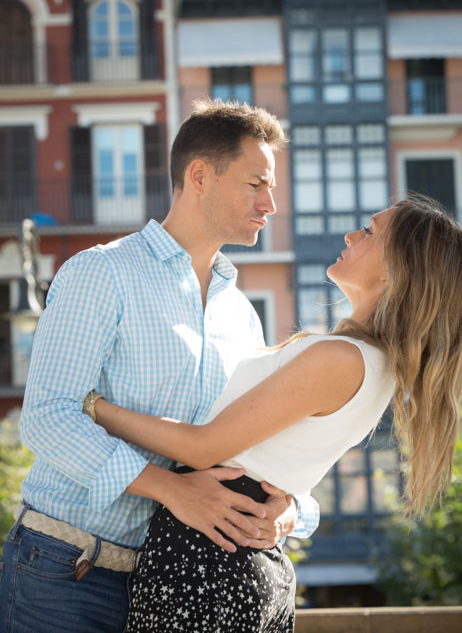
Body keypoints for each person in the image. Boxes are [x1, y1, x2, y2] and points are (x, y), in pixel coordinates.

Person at [0, 100, 319, 633]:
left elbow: (254, 446)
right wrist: (170, 488)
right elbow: (47, 417)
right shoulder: (101, 272)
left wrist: (291, 513)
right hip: (65, 572)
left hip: (173, 585)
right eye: (256, 184)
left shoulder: (242, 316)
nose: (270, 204)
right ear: (200, 176)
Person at [88, 196, 462, 632]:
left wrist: (95, 407)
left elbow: (201, 447)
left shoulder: (342, 358)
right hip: (234, 556)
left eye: (370, 232)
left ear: (395, 268)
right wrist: (290, 510)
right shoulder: (375, 366)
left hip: (210, 561)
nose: (351, 236)